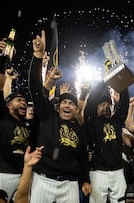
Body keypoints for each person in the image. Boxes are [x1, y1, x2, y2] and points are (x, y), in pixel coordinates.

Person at [28, 30, 91, 202]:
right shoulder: (48, 116)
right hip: (43, 180)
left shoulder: (79, 129)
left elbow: (83, 158)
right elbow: (35, 89)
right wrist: (38, 57)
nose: (67, 105)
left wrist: (85, 179)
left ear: (76, 109)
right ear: (58, 106)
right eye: (64, 102)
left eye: (71, 103)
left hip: (69, 184)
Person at [0, 38, 31, 198]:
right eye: (19, 100)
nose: (23, 102)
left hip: (21, 176)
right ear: (8, 105)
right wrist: (2, 61)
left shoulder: (28, 124)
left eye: (24, 101)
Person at [84, 76, 130, 202]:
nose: (106, 107)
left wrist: (122, 83)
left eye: (109, 104)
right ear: (96, 107)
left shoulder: (116, 121)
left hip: (118, 170)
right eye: (102, 104)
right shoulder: (91, 121)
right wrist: (105, 81)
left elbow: (124, 103)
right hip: (98, 171)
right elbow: (92, 101)